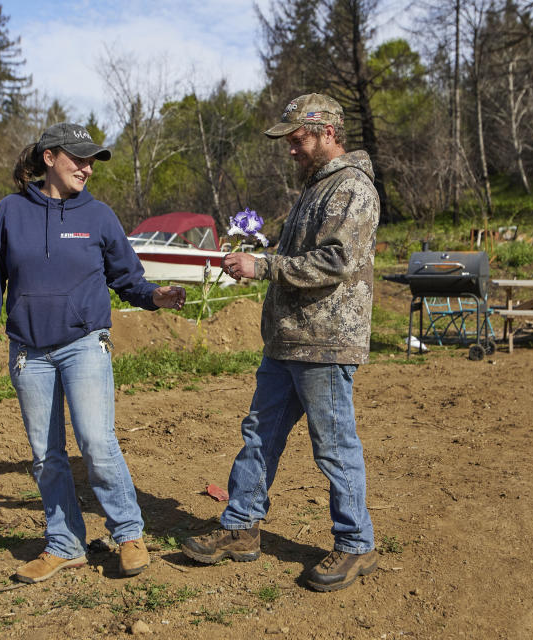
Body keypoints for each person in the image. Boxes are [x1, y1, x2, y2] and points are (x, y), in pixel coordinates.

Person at [0, 122, 186, 583]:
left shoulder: (99, 216)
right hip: (29, 353)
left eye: (92, 161)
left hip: (85, 344)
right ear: (50, 157)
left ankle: (128, 534)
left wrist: (154, 296)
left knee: (95, 442)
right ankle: (64, 543)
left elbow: (128, 278)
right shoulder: (10, 211)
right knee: (46, 455)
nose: (87, 168)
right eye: (79, 159)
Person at [182, 94, 380, 592]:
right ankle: (241, 527)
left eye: (298, 139)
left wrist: (264, 266)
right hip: (289, 341)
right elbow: (305, 257)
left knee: (333, 447)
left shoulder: (351, 189)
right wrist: (260, 253)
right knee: (259, 434)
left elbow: (335, 262)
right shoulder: (317, 190)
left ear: (328, 133)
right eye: (290, 140)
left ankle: (357, 544)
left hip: (326, 342)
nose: (291, 148)